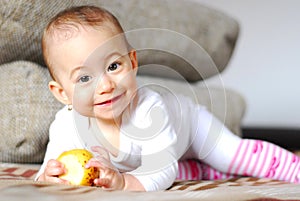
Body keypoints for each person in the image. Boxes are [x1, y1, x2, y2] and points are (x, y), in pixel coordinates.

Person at [36, 5, 300, 191]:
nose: (105, 85)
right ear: (62, 93)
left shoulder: (149, 110)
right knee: (156, 171)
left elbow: (162, 169)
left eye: (113, 67)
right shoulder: (65, 126)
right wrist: (50, 176)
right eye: (84, 78)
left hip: (192, 129)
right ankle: (203, 172)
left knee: (230, 155)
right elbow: (49, 169)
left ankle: (294, 169)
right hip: (161, 156)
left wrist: (124, 183)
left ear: (132, 62)